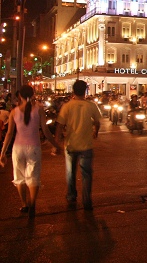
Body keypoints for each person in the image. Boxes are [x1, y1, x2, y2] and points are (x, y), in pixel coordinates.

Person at [0, 85, 60, 217]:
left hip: (18, 148)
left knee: (19, 177)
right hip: (34, 147)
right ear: (32, 95)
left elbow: (9, 133)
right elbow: (45, 131)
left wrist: (2, 152)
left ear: (19, 96)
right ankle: (32, 204)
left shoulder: (14, 112)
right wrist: (55, 144)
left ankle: (24, 204)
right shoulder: (38, 110)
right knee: (33, 178)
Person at [55, 80, 102, 211]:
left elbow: (59, 125)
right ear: (85, 90)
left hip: (70, 145)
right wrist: (95, 132)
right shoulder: (91, 106)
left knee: (70, 173)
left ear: (73, 91)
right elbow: (97, 122)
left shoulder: (67, 106)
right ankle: (87, 201)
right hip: (86, 145)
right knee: (86, 174)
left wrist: (56, 143)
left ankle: (71, 196)